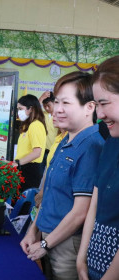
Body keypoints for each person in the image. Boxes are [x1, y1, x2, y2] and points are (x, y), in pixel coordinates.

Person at [20, 71, 105, 280]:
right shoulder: (66, 140)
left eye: (66, 103)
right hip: (46, 238)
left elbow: (80, 212)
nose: (57, 110)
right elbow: (48, 195)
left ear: (90, 107)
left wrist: (46, 244)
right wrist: (33, 231)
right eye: (56, 102)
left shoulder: (91, 146)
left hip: (66, 246)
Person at [77, 56, 119, 280]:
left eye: (104, 103)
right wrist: (81, 259)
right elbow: (96, 201)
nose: (99, 115)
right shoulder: (111, 143)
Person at [12, 94, 47, 191]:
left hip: (30, 170)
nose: (19, 112)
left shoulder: (36, 125)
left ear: (30, 109)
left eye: (21, 109)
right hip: (23, 167)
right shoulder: (27, 125)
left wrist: (17, 163)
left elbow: (37, 152)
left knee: (24, 204)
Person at [38, 91, 58, 174]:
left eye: (48, 105)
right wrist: (41, 98)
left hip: (54, 151)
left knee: (51, 174)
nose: (46, 108)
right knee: (40, 175)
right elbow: (34, 110)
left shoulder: (59, 116)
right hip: (43, 151)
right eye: (44, 106)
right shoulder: (43, 115)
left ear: (55, 103)